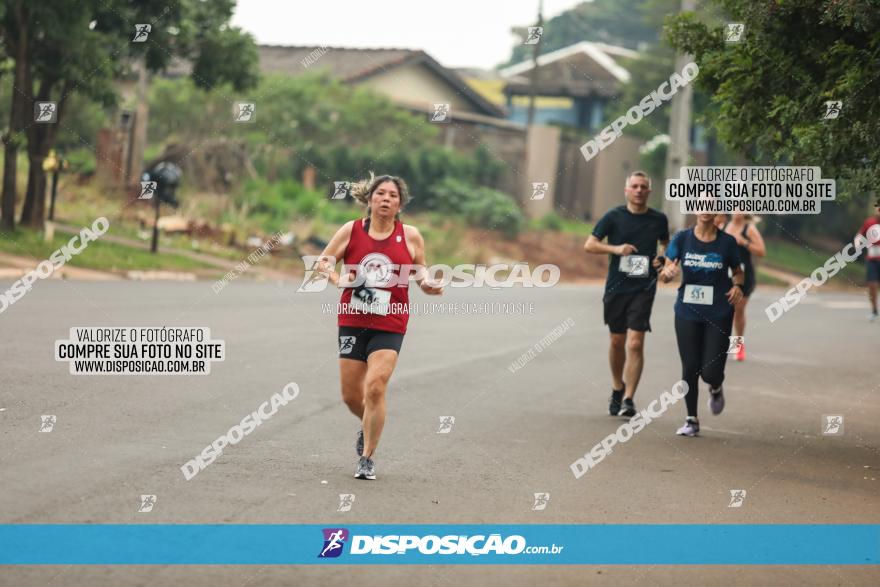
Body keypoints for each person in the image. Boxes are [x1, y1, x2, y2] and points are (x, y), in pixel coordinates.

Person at [316, 173, 443, 479]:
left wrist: (427, 284)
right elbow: (322, 262)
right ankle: (369, 424)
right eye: (381, 193)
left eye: (393, 195)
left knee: (375, 386)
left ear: (400, 204)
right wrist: (337, 279)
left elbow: (420, 270)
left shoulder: (410, 236)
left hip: (391, 319)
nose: (386, 199)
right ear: (370, 199)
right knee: (350, 395)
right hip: (352, 319)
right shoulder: (351, 230)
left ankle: (367, 456)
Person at [584, 171, 669, 417]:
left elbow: (665, 243)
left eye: (644, 186)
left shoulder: (658, 219)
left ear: (649, 191)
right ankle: (617, 386)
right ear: (627, 191)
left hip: (644, 287)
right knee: (617, 341)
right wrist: (616, 248)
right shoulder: (613, 216)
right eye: (635, 186)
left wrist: (661, 260)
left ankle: (629, 398)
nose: (639, 190)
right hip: (616, 287)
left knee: (635, 342)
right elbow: (590, 244)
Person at [660, 210, 745, 437]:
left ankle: (716, 387)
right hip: (687, 310)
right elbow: (666, 270)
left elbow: (738, 273)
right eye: (702, 203)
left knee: (710, 372)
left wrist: (738, 286)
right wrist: (668, 273)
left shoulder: (727, 242)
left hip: (719, 311)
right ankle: (691, 419)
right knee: (690, 366)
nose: (706, 209)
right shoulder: (682, 238)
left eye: (711, 204)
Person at [721, 214, 766, 360]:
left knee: (738, 310)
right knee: (723, 311)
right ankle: (718, 345)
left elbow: (761, 251)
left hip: (744, 276)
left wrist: (744, 242)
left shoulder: (749, 229)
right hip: (724, 275)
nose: (737, 210)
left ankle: (738, 346)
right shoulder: (724, 225)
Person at [858, 203, 880, 321]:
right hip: (872, 260)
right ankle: (874, 311)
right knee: (872, 285)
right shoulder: (869, 222)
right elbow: (860, 235)